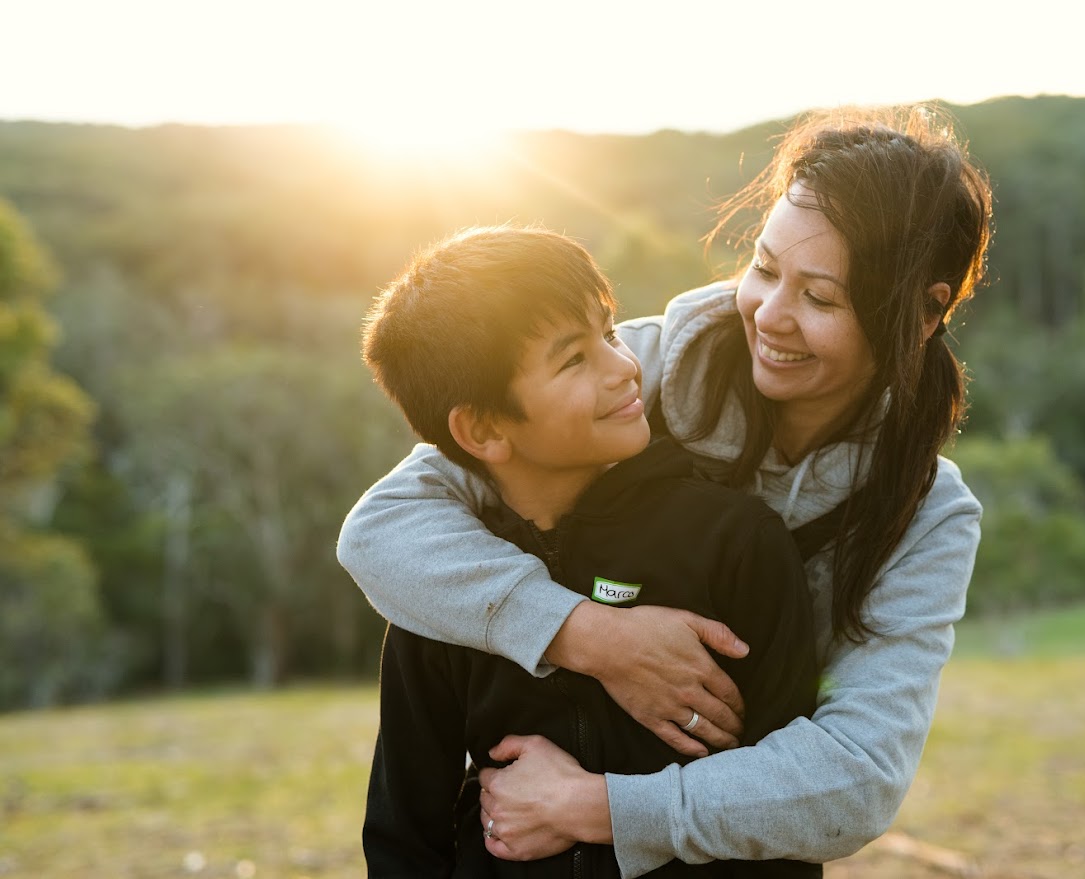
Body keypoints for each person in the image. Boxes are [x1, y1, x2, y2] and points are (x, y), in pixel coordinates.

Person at [338, 104, 992, 877]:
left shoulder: (924, 513)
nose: (771, 317)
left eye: (821, 299)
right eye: (766, 268)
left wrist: (599, 807)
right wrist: (589, 635)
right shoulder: (635, 379)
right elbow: (382, 529)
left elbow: (855, 779)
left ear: (923, 314)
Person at [355, 225, 821, 878]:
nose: (625, 366)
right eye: (574, 359)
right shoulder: (443, 594)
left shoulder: (736, 543)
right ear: (484, 427)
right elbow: (405, 838)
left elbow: (783, 824)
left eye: (608, 331)